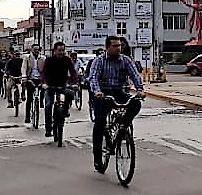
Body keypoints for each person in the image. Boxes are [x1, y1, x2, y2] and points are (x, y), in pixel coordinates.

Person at [89, 35, 145, 173]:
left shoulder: (125, 60)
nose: (118, 48)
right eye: (115, 46)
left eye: (119, 46)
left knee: (136, 103)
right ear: (107, 47)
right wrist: (97, 91)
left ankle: (123, 127)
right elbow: (93, 77)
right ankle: (97, 157)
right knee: (100, 122)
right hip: (102, 93)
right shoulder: (99, 60)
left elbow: (135, 75)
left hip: (118, 91)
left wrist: (140, 90)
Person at [42, 42, 79, 137]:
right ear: (55, 51)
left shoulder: (67, 60)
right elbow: (44, 73)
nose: (61, 52)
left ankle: (66, 109)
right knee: (48, 105)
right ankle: (48, 129)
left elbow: (73, 72)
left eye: (63, 50)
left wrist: (75, 83)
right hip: (50, 86)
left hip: (62, 86)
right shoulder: (49, 60)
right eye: (59, 50)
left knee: (71, 94)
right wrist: (44, 83)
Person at [22, 44, 46, 125]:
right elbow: (24, 68)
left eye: (38, 49)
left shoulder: (43, 58)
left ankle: (41, 102)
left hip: (39, 79)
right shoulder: (27, 58)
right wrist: (24, 76)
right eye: (35, 49)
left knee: (43, 89)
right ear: (31, 50)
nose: (36, 51)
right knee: (29, 98)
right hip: (30, 79)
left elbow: (45, 70)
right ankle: (27, 117)